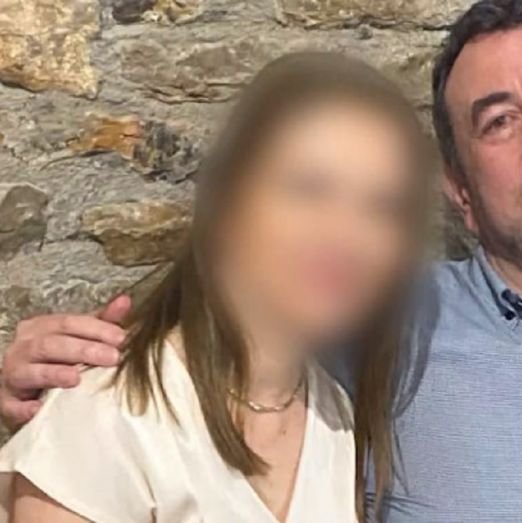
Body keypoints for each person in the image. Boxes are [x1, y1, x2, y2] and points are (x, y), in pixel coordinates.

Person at [3, 1, 522, 522]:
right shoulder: (370, 325)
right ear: (458, 188)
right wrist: (41, 379)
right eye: (499, 121)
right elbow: (207, 357)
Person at [0, 51, 432, 522]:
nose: (345, 234)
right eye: (309, 188)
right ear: (226, 201)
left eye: (383, 207)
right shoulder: (109, 416)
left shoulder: (335, 419)